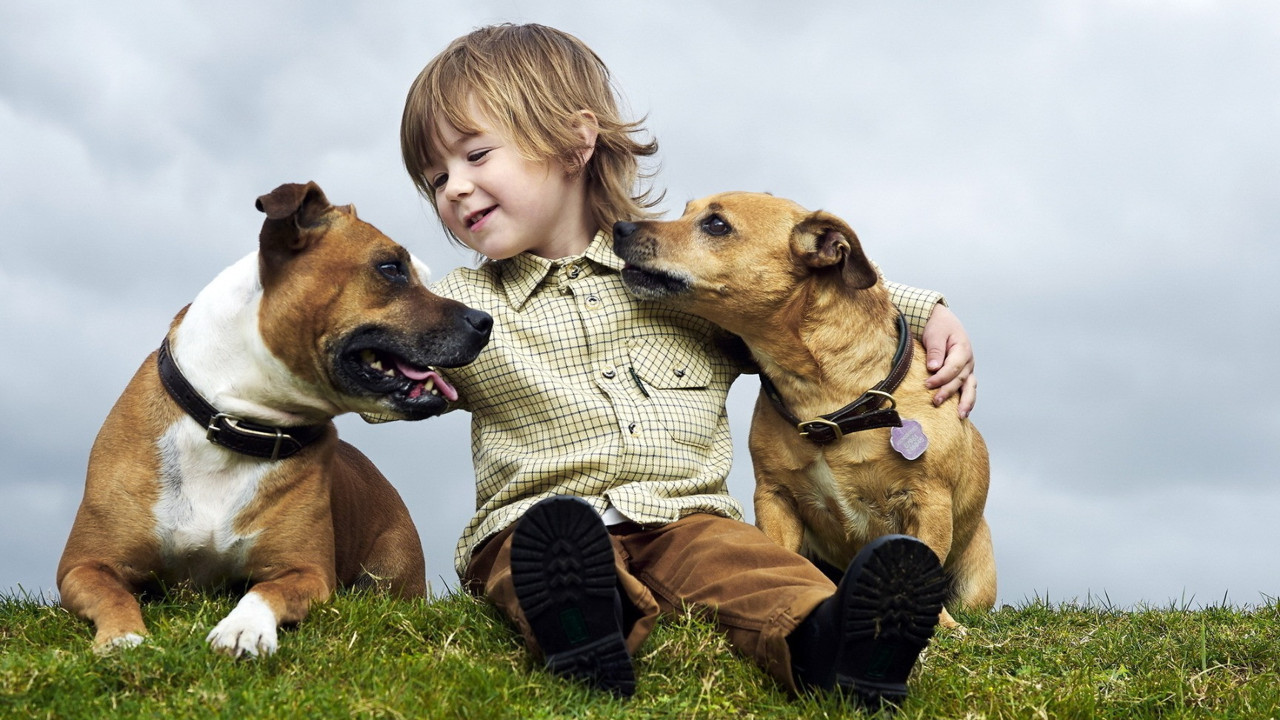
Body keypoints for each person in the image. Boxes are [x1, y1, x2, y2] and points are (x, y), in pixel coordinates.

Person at [393, 23, 976, 707]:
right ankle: (584, 632)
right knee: (535, 561)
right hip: (539, 522)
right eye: (437, 178)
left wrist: (926, 310)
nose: (454, 189)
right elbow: (370, 356)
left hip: (686, 521)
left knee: (755, 569)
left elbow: (800, 297)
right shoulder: (456, 308)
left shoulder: (688, 288)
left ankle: (835, 643)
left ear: (575, 143)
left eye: (475, 155)